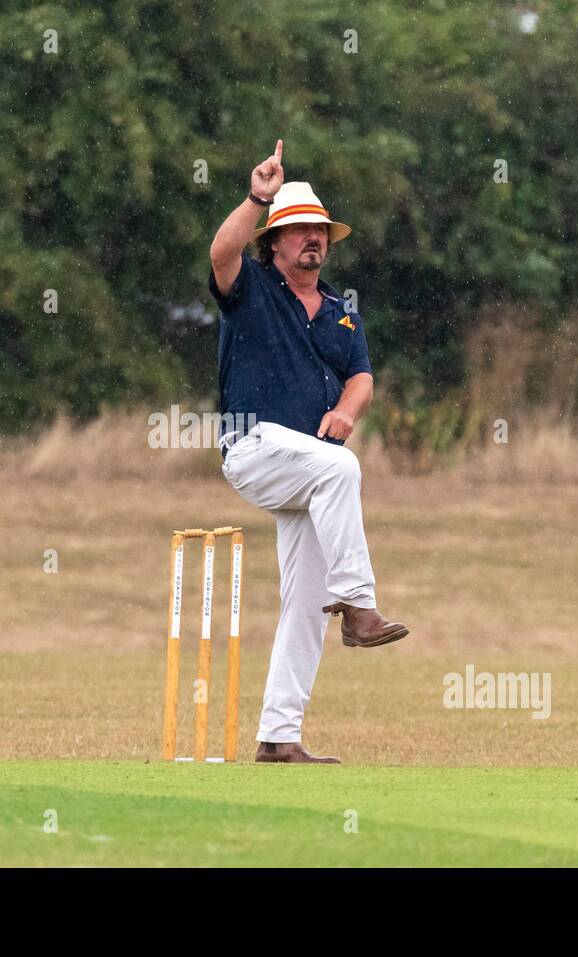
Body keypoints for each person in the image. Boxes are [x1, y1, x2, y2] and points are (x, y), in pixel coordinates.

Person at [208, 141, 410, 764]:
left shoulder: (344, 311)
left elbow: (362, 376)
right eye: (297, 232)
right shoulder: (251, 287)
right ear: (274, 243)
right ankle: (360, 606)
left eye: (319, 232)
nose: (311, 241)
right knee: (343, 468)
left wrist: (348, 410)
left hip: (306, 468)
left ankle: (278, 736)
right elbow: (221, 251)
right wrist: (259, 198)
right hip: (253, 444)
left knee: (302, 602)